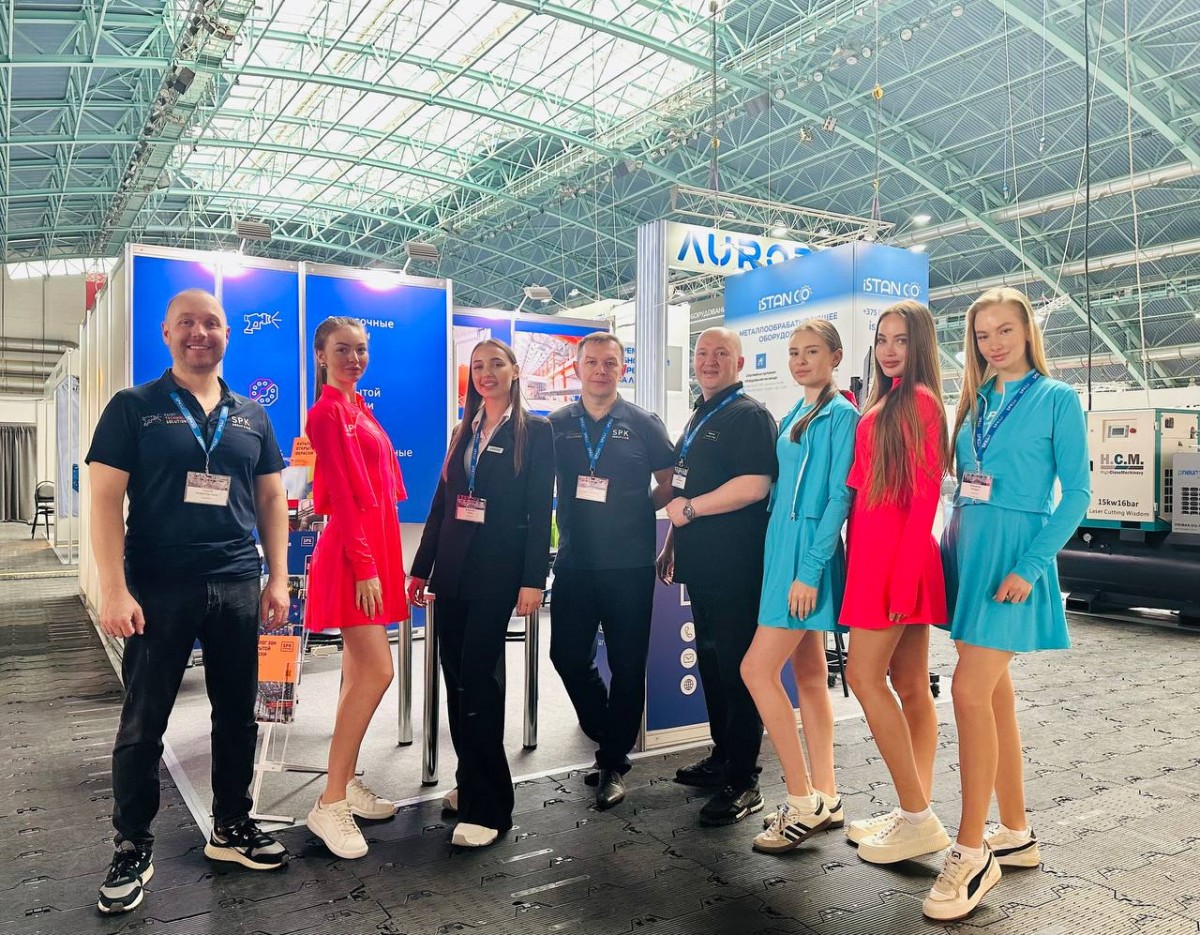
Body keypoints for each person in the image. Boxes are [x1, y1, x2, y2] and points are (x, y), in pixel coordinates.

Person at [87, 289, 290, 916]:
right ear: (166, 333)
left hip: (236, 581)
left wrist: (277, 578)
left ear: (227, 333)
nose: (199, 333)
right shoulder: (134, 406)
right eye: (186, 323)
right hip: (159, 585)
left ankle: (231, 825)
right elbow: (103, 501)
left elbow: (271, 499)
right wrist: (114, 587)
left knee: (238, 714)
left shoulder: (251, 415)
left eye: (210, 323)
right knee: (144, 721)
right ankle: (132, 844)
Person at [922, 287, 1089, 921]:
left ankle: (971, 851)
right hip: (967, 550)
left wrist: (1030, 565)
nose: (993, 343)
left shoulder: (1057, 398)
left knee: (967, 691)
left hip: (1013, 560)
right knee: (992, 695)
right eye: (982, 333)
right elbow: (971, 480)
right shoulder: (974, 400)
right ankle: (1015, 833)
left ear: (1027, 333)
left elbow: (1077, 494)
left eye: (1005, 330)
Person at [407, 338, 555, 848]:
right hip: (452, 573)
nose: (486, 373)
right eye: (477, 366)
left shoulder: (535, 431)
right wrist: (421, 569)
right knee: (457, 682)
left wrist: (534, 579)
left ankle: (491, 807)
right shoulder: (463, 429)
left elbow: (540, 510)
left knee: (479, 681)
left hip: (499, 574)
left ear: (514, 371)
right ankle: (470, 780)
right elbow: (442, 504)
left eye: (496, 364)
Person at [839, 300, 952, 865]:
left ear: (920, 344)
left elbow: (925, 497)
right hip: (877, 558)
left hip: (895, 563)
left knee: (863, 676)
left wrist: (903, 578)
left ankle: (916, 815)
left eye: (901, 340)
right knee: (909, 685)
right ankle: (916, 811)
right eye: (882, 339)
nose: (888, 349)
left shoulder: (921, 402)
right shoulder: (884, 402)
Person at [741, 321, 859, 853]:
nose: (800, 360)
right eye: (793, 352)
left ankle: (802, 799)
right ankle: (827, 796)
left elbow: (840, 497)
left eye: (812, 351)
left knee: (756, 670)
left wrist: (810, 569)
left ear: (835, 356)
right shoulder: (796, 411)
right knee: (809, 675)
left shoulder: (842, 415)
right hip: (781, 544)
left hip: (806, 551)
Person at [548, 332, 675, 809]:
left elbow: (669, 481)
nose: (601, 370)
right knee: (566, 656)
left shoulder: (643, 423)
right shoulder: (556, 424)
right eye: (592, 362)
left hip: (630, 563)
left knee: (627, 664)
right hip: (575, 562)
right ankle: (606, 731)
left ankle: (612, 762)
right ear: (578, 367)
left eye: (610, 363)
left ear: (623, 369)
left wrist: (638, 508)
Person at [656, 327, 778, 826]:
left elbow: (755, 485)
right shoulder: (701, 413)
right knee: (710, 662)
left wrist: (689, 510)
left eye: (720, 353)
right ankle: (723, 757)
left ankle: (744, 779)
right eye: (702, 353)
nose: (708, 361)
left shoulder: (748, 415)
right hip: (702, 564)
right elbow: (685, 485)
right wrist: (672, 541)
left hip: (735, 565)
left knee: (736, 670)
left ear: (739, 363)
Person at [303, 317, 409, 859]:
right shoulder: (326, 412)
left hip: (372, 546)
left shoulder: (357, 406)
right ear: (321, 355)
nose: (354, 358)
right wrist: (366, 565)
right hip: (353, 553)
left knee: (356, 673)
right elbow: (343, 496)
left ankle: (342, 782)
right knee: (377, 670)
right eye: (343, 349)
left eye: (361, 349)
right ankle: (330, 802)